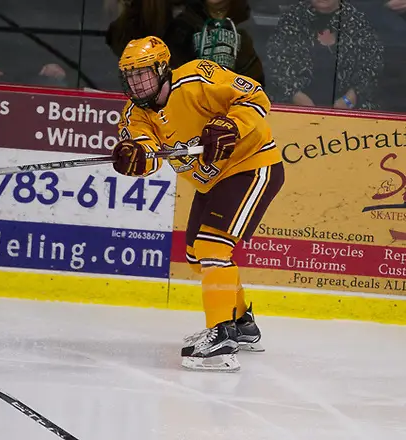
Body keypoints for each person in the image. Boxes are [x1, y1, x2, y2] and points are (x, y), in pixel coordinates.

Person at [110, 36, 284, 372]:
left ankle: (221, 338)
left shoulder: (195, 79)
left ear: (162, 69)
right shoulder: (134, 114)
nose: (136, 82)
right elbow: (148, 154)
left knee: (213, 248)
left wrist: (230, 124)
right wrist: (135, 158)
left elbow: (255, 97)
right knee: (195, 256)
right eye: (130, 76)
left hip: (252, 164)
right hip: (213, 182)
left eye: (143, 73)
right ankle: (241, 323)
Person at [106, 0, 264, 85]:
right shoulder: (183, 25)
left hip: (233, 115)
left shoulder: (248, 28)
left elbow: (256, 83)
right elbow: (169, 73)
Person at [265, 0, 383, 110]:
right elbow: (277, 68)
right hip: (295, 105)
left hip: (348, 107)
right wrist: (300, 100)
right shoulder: (291, 19)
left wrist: (347, 101)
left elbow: (370, 69)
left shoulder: (358, 21)